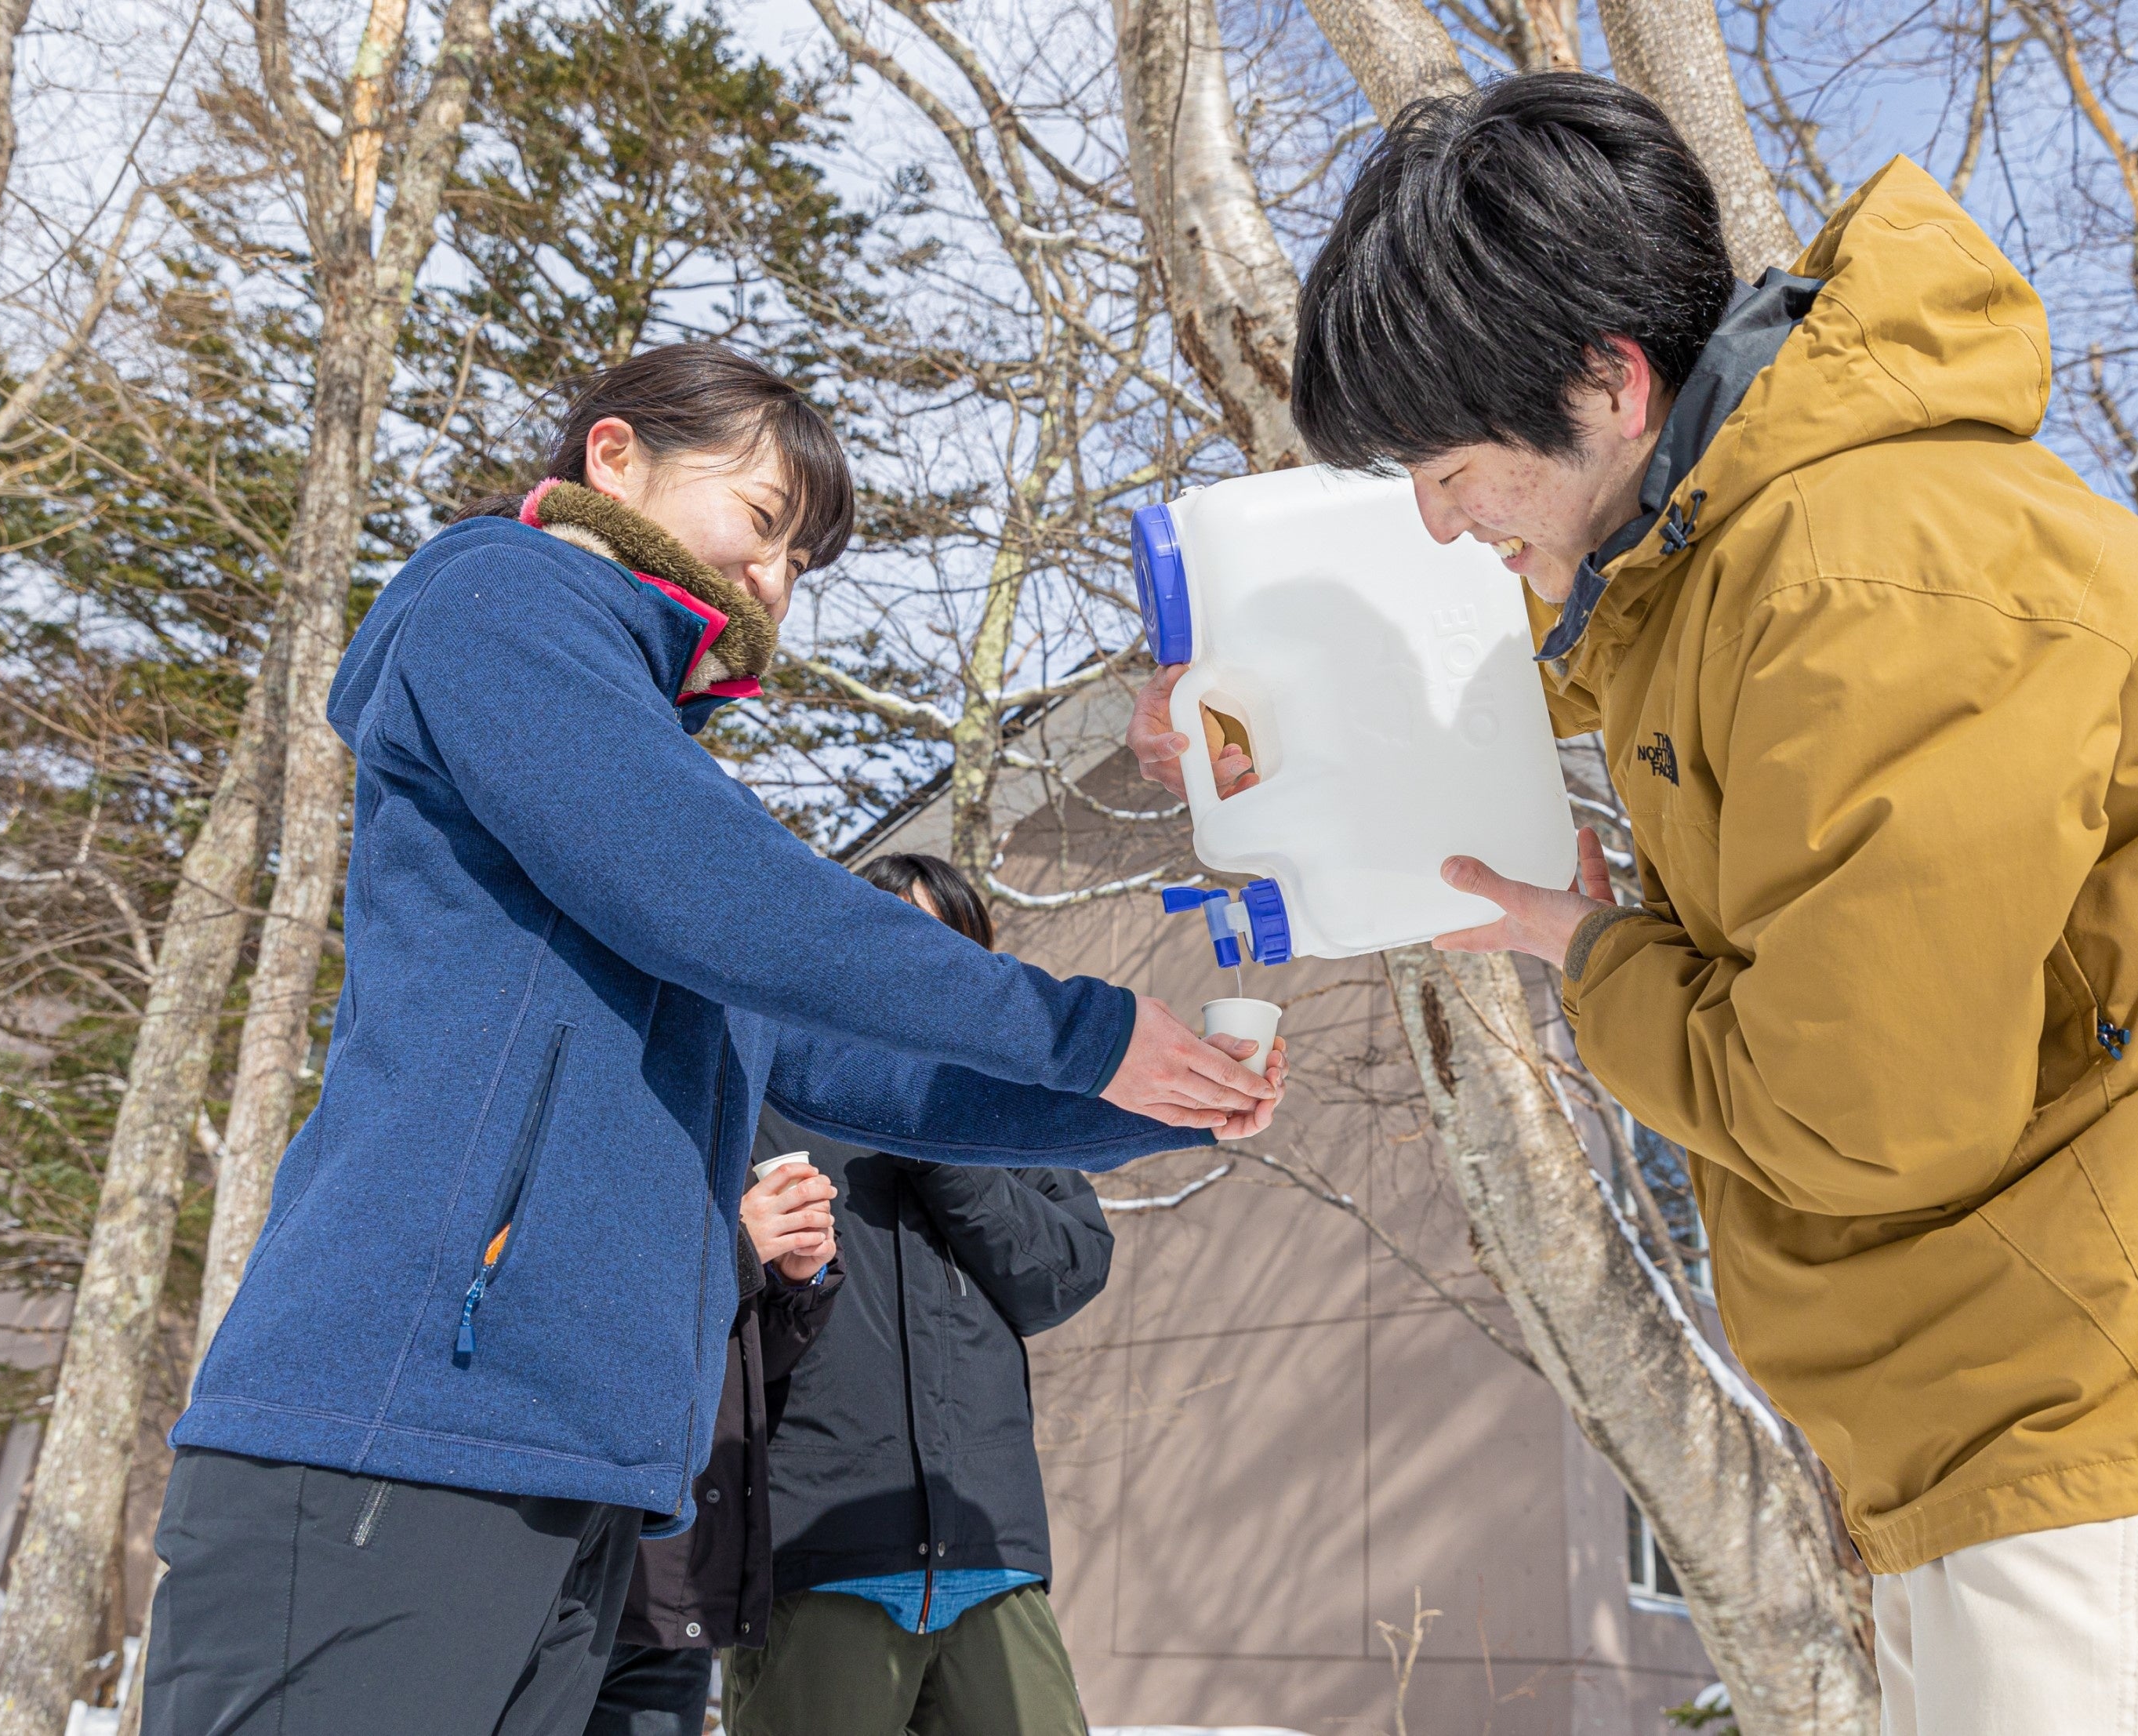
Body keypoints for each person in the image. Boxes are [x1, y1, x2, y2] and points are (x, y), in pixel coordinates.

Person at [1130, 75, 2138, 1735]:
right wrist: (1248, 730)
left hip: (2107, 1413)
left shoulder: (1877, 584)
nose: (1438, 518)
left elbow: (1858, 1115)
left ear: (1609, 381)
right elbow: (1537, 672)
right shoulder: (1724, 556)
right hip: (2008, 1403)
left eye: (1451, 466)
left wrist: (1578, 950)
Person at [147, 342, 1284, 1736]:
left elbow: (837, 1060)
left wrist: (1149, 1096)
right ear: (614, 457)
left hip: (594, 1469)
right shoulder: (498, 599)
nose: (775, 577)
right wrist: (1077, 1023)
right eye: (760, 517)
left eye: (803, 556)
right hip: (400, 1425)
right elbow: (714, 889)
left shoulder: (646, 787)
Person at [721, 852, 1113, 1736]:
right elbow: (698, 1300)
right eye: (892, 935)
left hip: (993, 1556)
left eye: (947, 948)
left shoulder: (1006, 1107)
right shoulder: (768, 1087)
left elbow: (1062, 1276)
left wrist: (938, 1142)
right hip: (819, 1556)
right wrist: (756, 1251)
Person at [586, 1155, 844, 1736]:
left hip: (674, 1580)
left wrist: (791, 1281)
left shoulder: (723, 1130)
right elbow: (557, 1301)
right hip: (560, 1565)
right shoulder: (577, 1112)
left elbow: (736, 1368)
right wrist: (731, 1248)